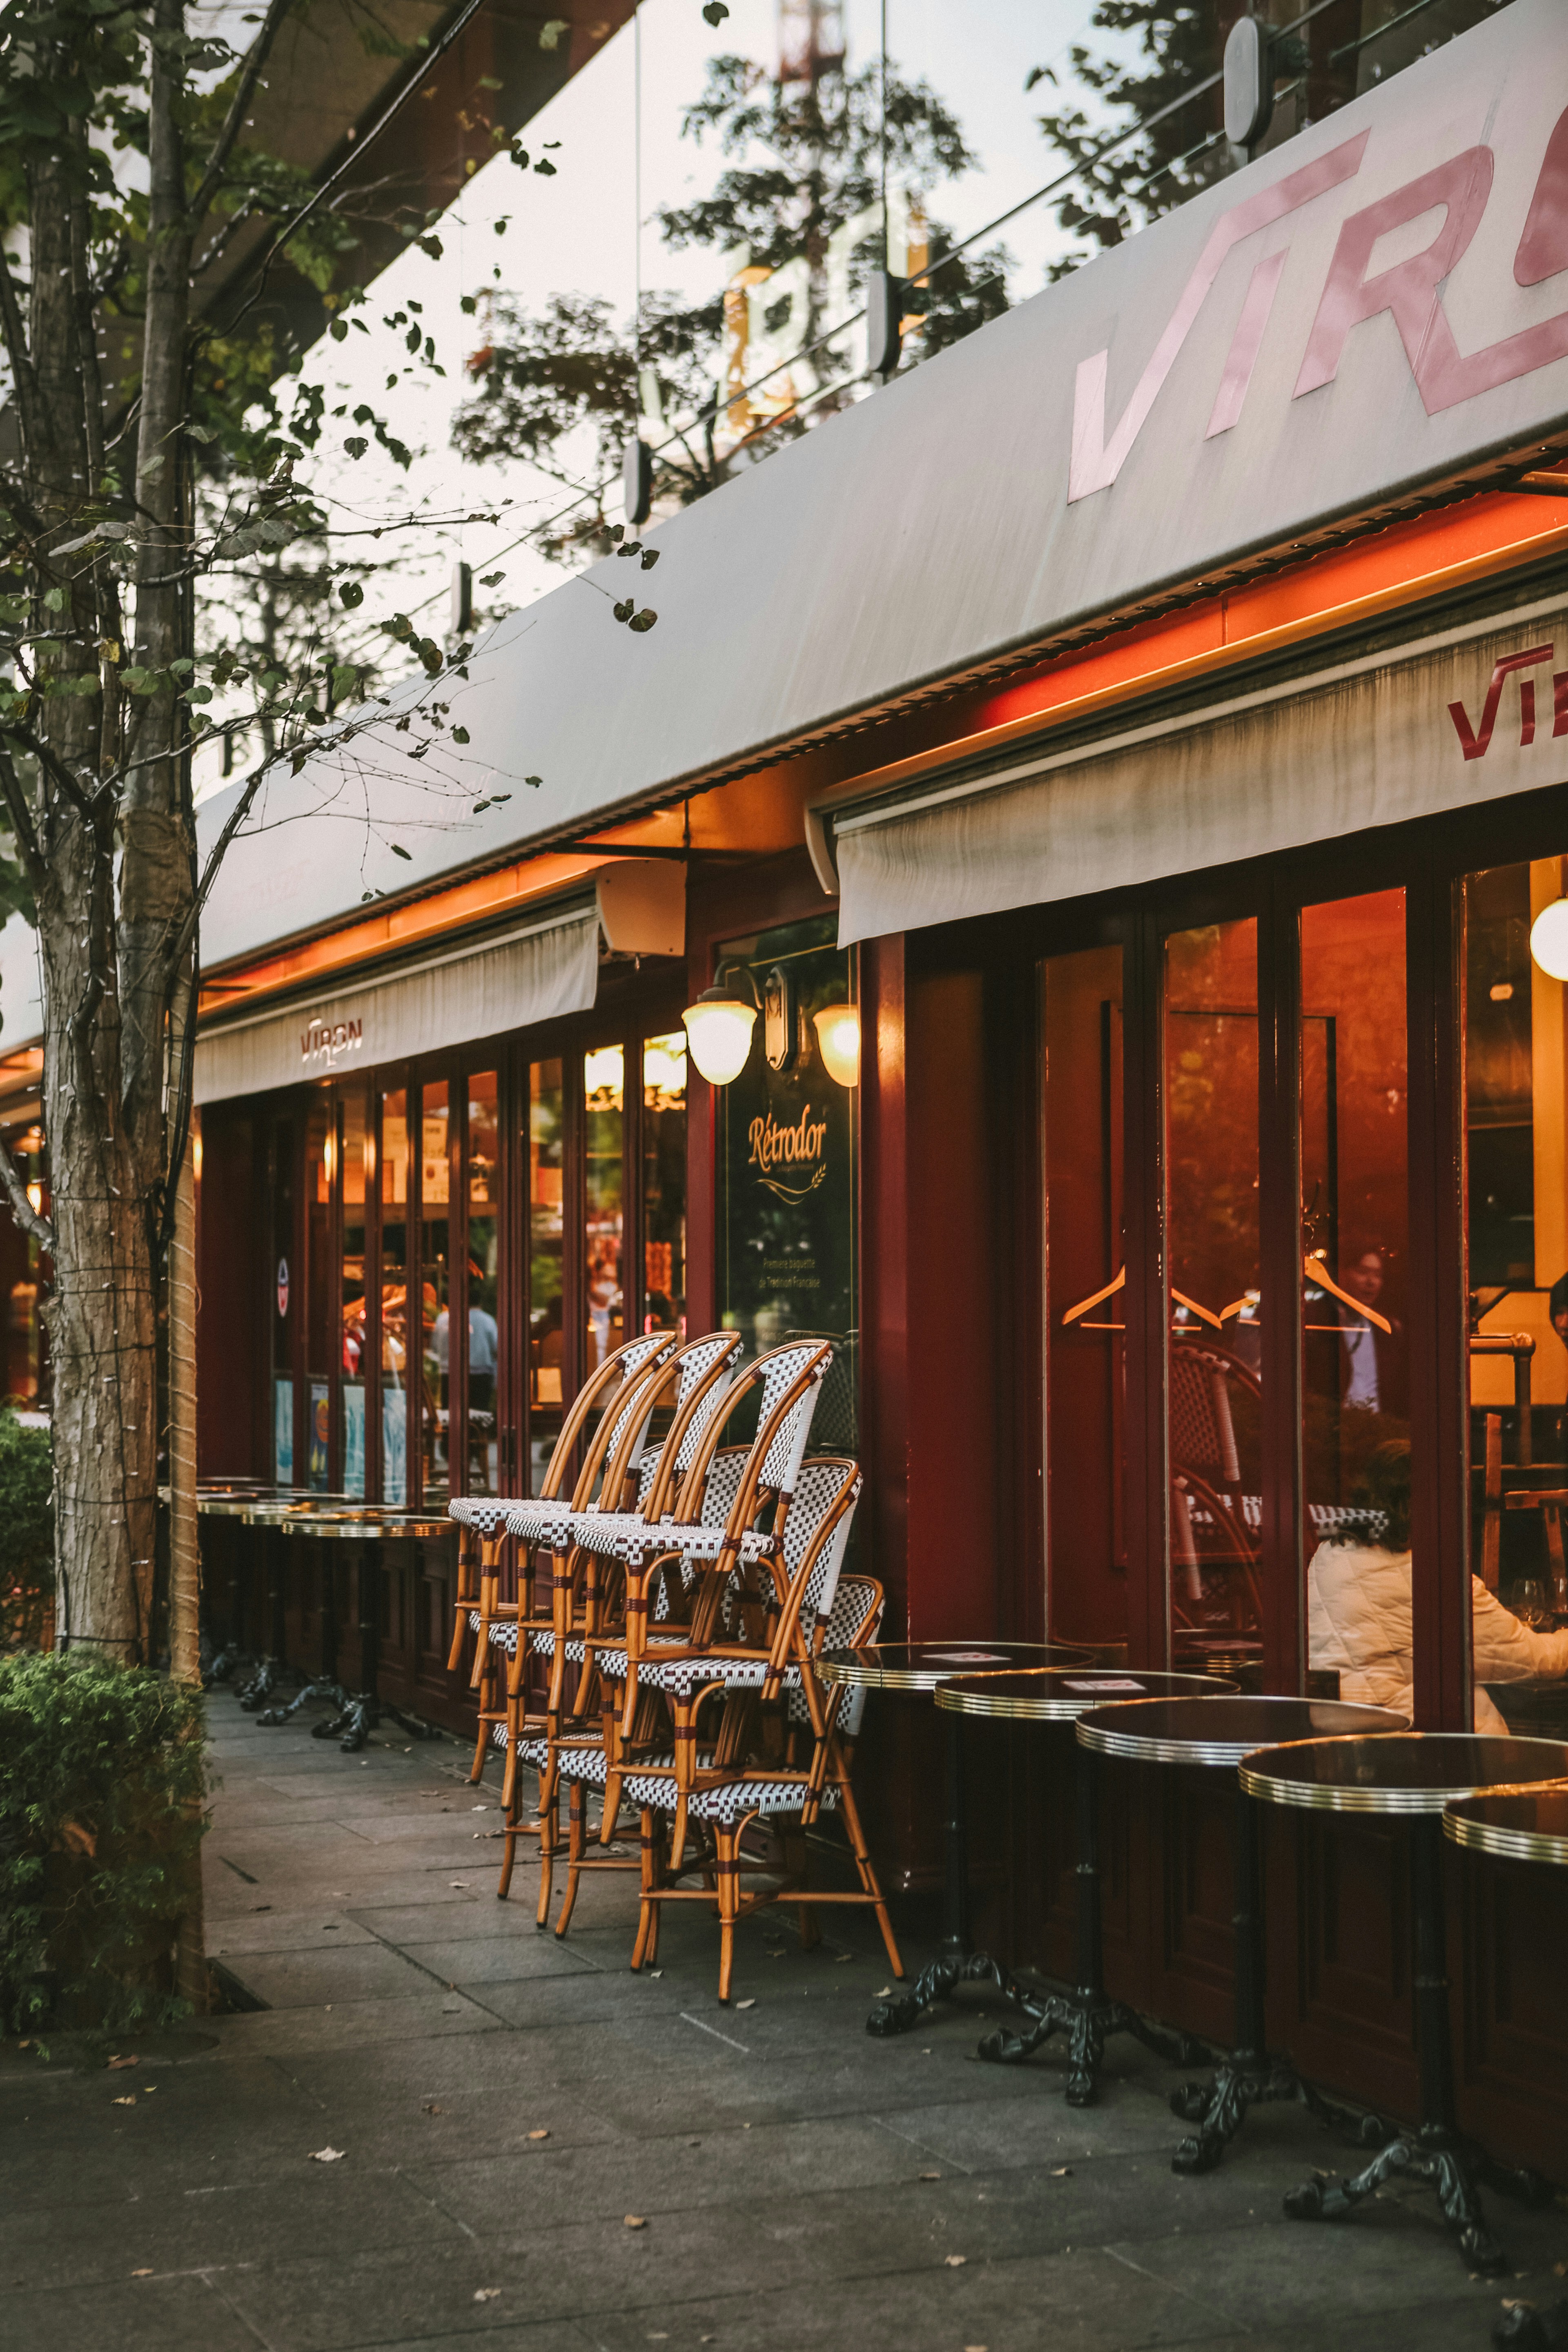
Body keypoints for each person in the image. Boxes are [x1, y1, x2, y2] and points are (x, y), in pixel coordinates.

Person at [1309, 1439, 1568, 1730]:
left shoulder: (1329, 1556)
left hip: (1335, 1732)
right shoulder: (1429, 1575)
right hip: (1411, 1742)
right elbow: (1533, 1659)